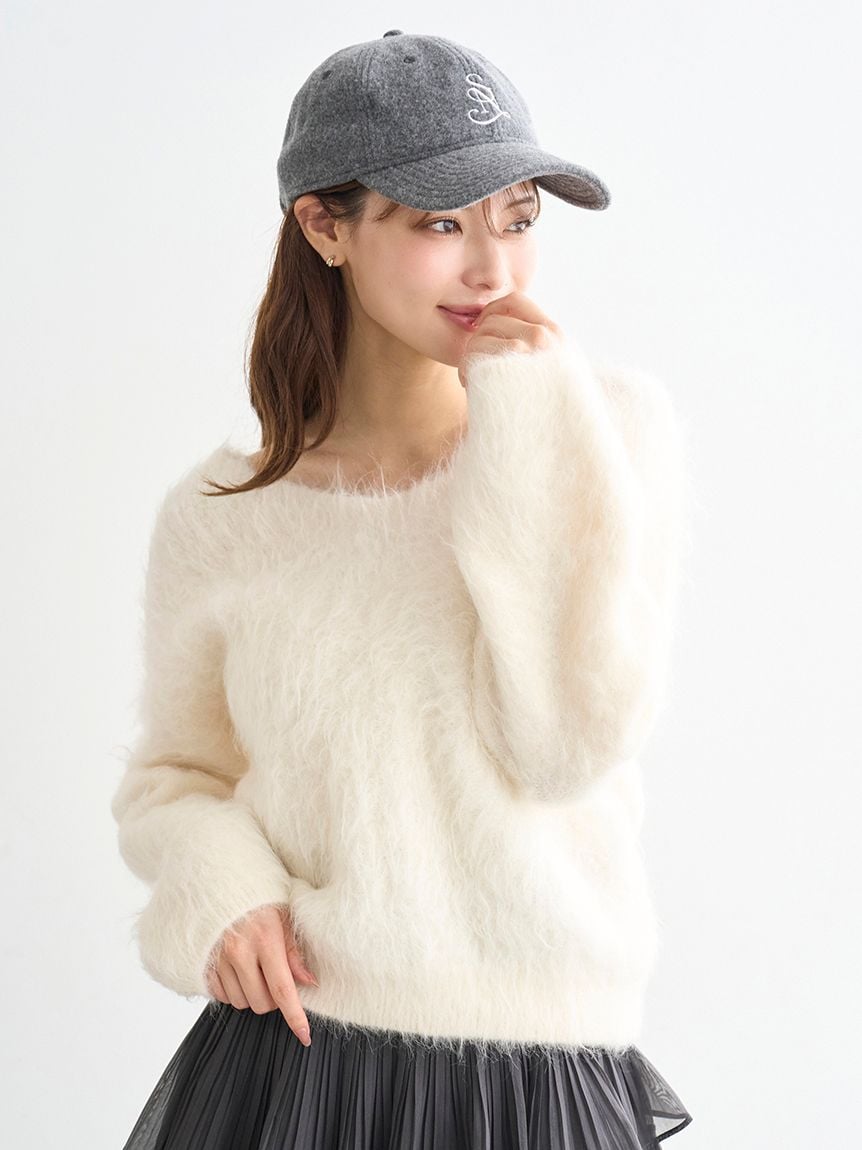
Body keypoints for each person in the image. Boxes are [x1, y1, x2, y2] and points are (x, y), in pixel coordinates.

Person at [111, 29, 695, 1149]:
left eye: (516, 218)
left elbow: (564, 744)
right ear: (323, 226)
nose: (493, 271)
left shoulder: (602, 433)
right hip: (295, 1063)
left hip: (538, 1076)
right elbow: (174, 777)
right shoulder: (222, 515)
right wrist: (222, 892)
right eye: (440, 223)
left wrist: (528, 421)